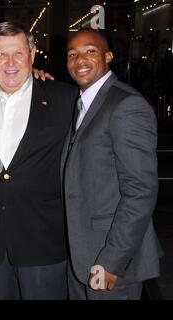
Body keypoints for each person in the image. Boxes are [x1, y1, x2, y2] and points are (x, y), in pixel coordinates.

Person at [0, 22, 77, 300]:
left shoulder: (66, 99)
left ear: (32, 54)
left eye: (18, 53)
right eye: (2, 54)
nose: (10, 62)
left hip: (43, 241)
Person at [62, 28, 162, 300]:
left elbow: (140, 191)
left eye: (90, 51)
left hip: (110, 262)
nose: (80, 59)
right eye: (72, 54)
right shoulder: (82, 103)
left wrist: (111, 262)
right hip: (80, 256)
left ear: (109, 56)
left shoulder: (126, 106)